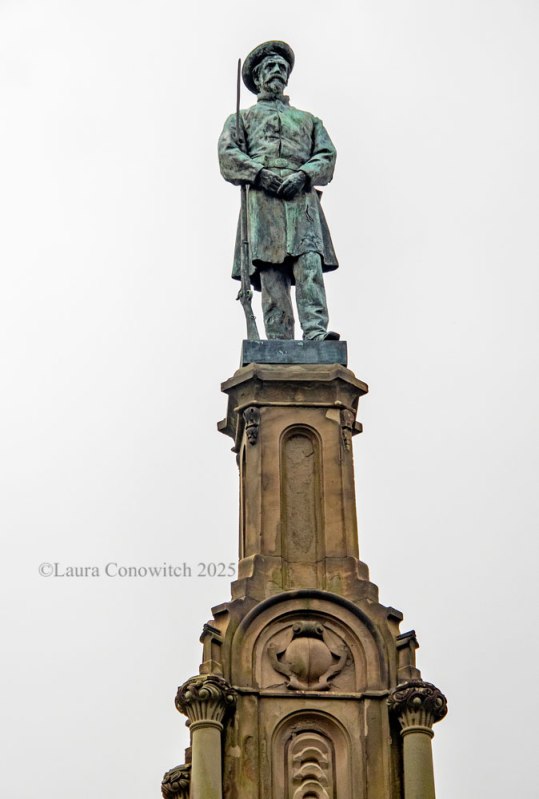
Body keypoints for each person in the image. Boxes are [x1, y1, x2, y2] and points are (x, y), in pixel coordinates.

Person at [218, 40, 340, 341]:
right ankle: (279, 340)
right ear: (258, 77)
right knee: (272, 271)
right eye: (270, 67)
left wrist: (303, 175)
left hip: (302, 200)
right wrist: (258, 174)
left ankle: (315, 333)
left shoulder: (309, 121)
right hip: (263, 201)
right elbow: (228, 156)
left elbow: (327, 156)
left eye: (282, 68)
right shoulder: (241, 120)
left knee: (309, 263)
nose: (277, 71)